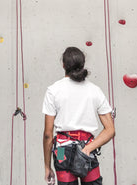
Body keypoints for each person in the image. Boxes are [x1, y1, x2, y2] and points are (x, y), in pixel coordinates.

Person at [42, 47, 115, 185]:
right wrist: (88, 148)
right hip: (87, 149)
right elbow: (110, 130)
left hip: (62, 150)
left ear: (63, 65)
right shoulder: (95, 91)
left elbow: (48, 134)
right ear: (82, 64)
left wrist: (47, 167)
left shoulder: (53, 91)